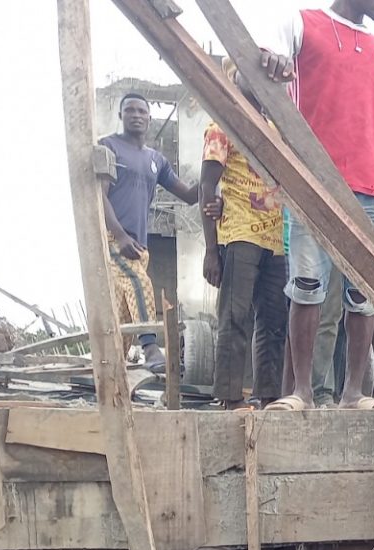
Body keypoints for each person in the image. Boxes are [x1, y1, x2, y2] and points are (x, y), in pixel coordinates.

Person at [259, 0, 374, 410]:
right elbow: (261, 67)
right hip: (313, 178)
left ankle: (353, 392)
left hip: (370, 186)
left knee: (364, 292)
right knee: (306, 285)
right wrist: (273, 64)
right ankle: (301, 391)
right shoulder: (302, 23)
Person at [201, 61, 287, 409]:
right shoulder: (222, 125)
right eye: (246, 75)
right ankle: (230, 397)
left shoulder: (276, 129)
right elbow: (206, 186)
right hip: (239, 234)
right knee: (235, 318)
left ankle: (269, 396)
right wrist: (211, 250)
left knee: (274, 320)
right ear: (234, 79)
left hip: (277, 238)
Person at [100, 93, 199, 375]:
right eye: (129, 110)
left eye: (142, 111)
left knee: (122, 315)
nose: (136, 115)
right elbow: (100, 196)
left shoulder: (156, 159)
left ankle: (107, 369)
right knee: (139, 283)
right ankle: (150, 349)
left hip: (140, 245)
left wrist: (214, 176)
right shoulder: (109, 147)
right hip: (114, 238)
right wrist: (118, 235)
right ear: (121, 116)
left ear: (149, 118)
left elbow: (189, 196)